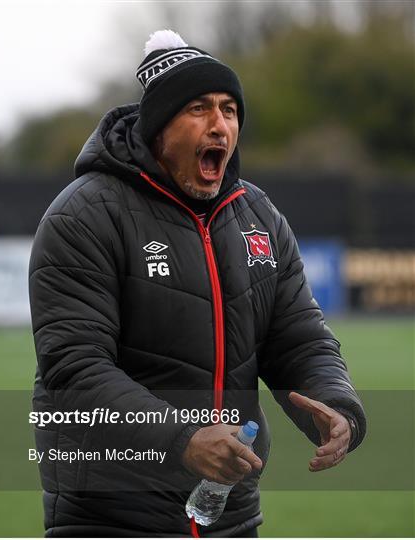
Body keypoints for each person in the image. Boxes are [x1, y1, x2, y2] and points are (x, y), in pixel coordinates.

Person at [29, 30, 366, 538]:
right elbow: (74, 370)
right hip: (113, 517)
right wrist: (182, 439)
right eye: (198, 109)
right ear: (159, 126)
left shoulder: (258, 216)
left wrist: (336, 404)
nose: (220, 125)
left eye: (229, 110)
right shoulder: (84, 215)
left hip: (229, 515)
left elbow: (298, 336)